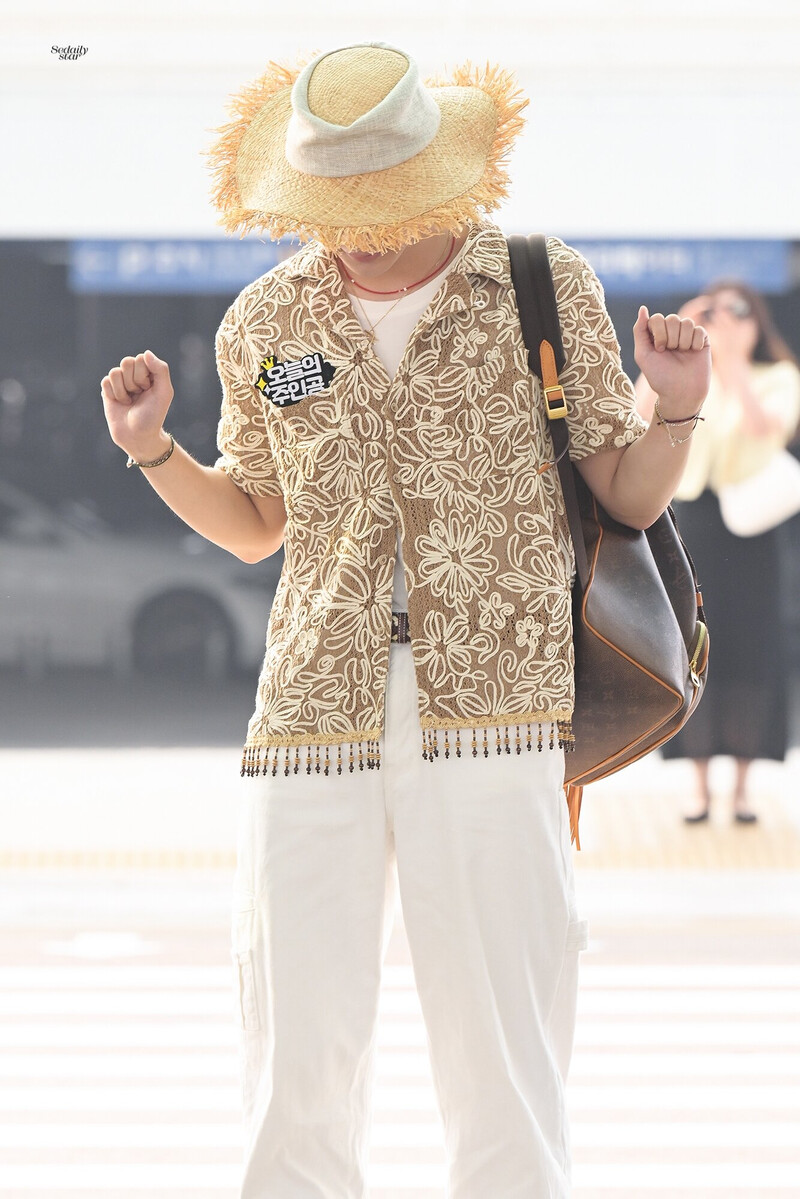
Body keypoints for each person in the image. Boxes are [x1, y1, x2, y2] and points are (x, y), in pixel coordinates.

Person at [100, 42, 711, 1199]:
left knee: (502, 1044)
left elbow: (621, 495)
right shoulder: (271, 322)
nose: (359, 230)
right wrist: (152, 452)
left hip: (498, 700)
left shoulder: (533, 285)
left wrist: (670, 407)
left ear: (437, 174)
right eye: (333, 207)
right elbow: (255, 523)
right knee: (293, 1037)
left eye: (379, 201)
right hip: (311, 703)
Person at [635, 282, 800, 826]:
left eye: (738, 313)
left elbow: (764, 429)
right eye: (713, 312)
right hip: (692, 522)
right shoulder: (686, 377)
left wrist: (729, 363)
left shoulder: (779, 378)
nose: (726, 321)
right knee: (693, 642)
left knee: (752, 649)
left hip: (752, 531)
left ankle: (745, 789)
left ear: (759, 322)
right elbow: (637, 416)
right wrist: (672, 345)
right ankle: (700, 787)